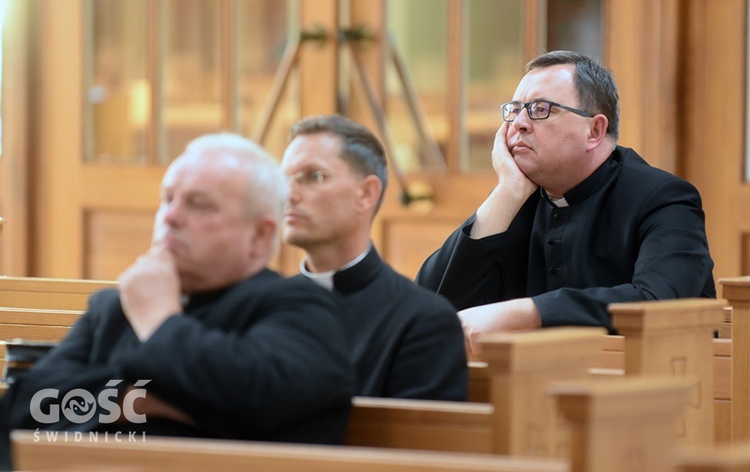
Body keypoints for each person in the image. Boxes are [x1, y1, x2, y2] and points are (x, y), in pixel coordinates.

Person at [0, 133, 356, 469]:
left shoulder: (302, 308)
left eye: (199, 205)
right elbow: (26, 408)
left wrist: (158, 320)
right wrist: (135, 400)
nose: (169, 217)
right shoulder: (114, 307)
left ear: (260, 235)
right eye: (168, 199)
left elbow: (255, 401)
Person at [416, 50, 715, 353]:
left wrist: (528, 312)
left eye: (540, 109)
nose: (518, 123)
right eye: (514, 110)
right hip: (530, 387)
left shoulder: (664, 199)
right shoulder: (518, 200)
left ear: (594, 131)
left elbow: (658, 301)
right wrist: (506, 194)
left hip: (648, 388)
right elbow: (431, 306)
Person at [280, 114, 468, 400]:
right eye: (284, 180)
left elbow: (420, 440)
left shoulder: (423, 321)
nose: (289, 195)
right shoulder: (264, 307)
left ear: (366, 193)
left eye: (314, 176)